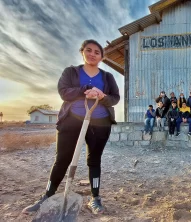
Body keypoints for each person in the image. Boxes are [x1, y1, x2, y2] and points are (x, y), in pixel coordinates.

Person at [22, 39, 120, 215]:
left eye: (97, 52)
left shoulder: (107, 77)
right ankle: (48, 195)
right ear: (82, 52)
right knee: (62, 160)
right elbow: (63, 92)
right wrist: (87, 89)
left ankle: (95, 198)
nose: (92, 54)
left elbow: (115, 98)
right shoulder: (71, 72)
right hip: (71, 120)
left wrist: (102, 95)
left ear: (101, 57)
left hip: (100, 122)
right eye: (89, 50)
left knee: (94, 160)